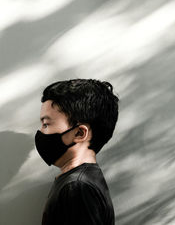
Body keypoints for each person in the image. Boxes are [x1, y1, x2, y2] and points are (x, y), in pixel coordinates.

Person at [34, 78, 119, 225]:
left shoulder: (77, 188)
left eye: (46, 124)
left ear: (79, 133)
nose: (41, 132)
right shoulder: (77, 182)